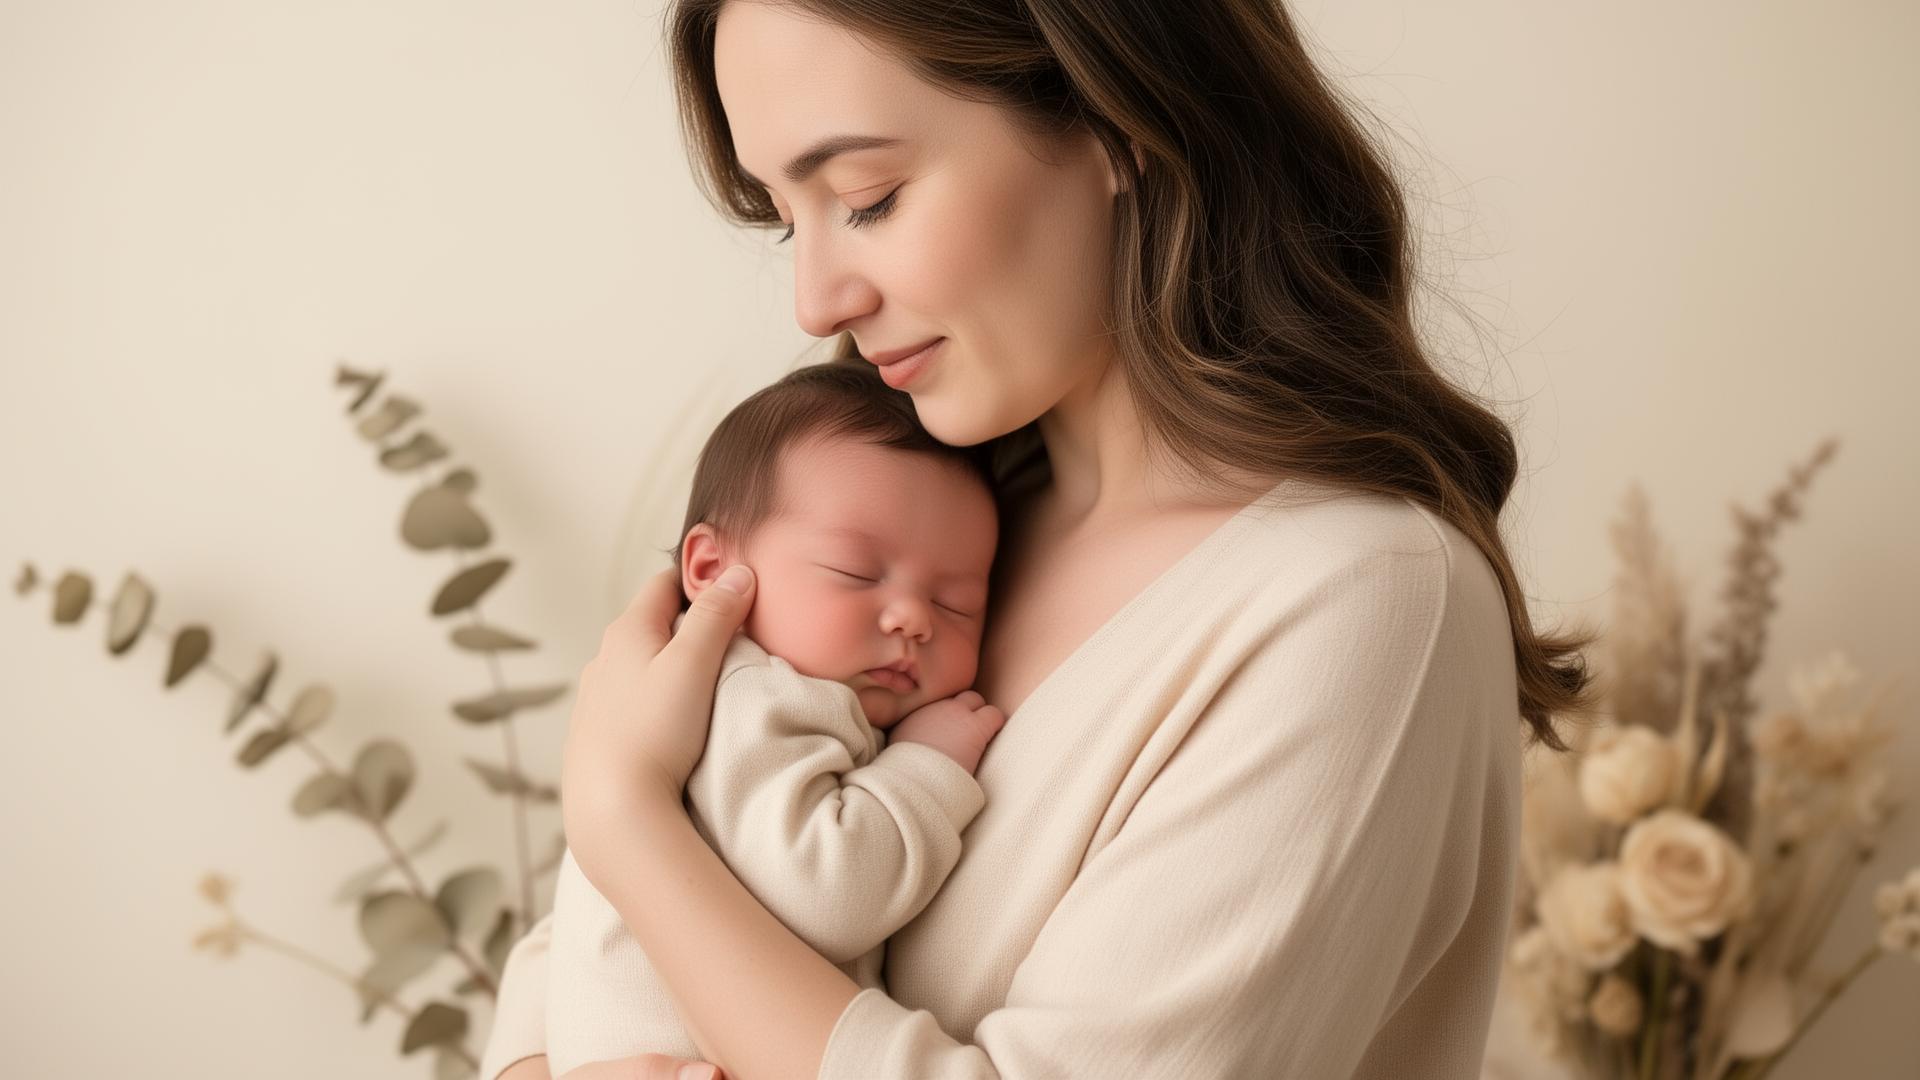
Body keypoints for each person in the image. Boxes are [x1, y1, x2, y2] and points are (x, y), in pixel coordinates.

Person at [499, 0, 1598, 1076]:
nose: (816, 299)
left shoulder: (1361, 601)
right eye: (791, 220)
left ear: (1117, 120)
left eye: (867, 198)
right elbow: (586, 945)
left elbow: (642, 844)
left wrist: (624, 819)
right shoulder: (906, 523)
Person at [478, 362, 1009, 1079]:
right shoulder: (759, 694)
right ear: (711, 566)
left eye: (956, 605)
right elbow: (828, 893)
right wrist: (925, 770)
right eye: (856, 572)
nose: (913, 619)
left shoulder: (695, 705)